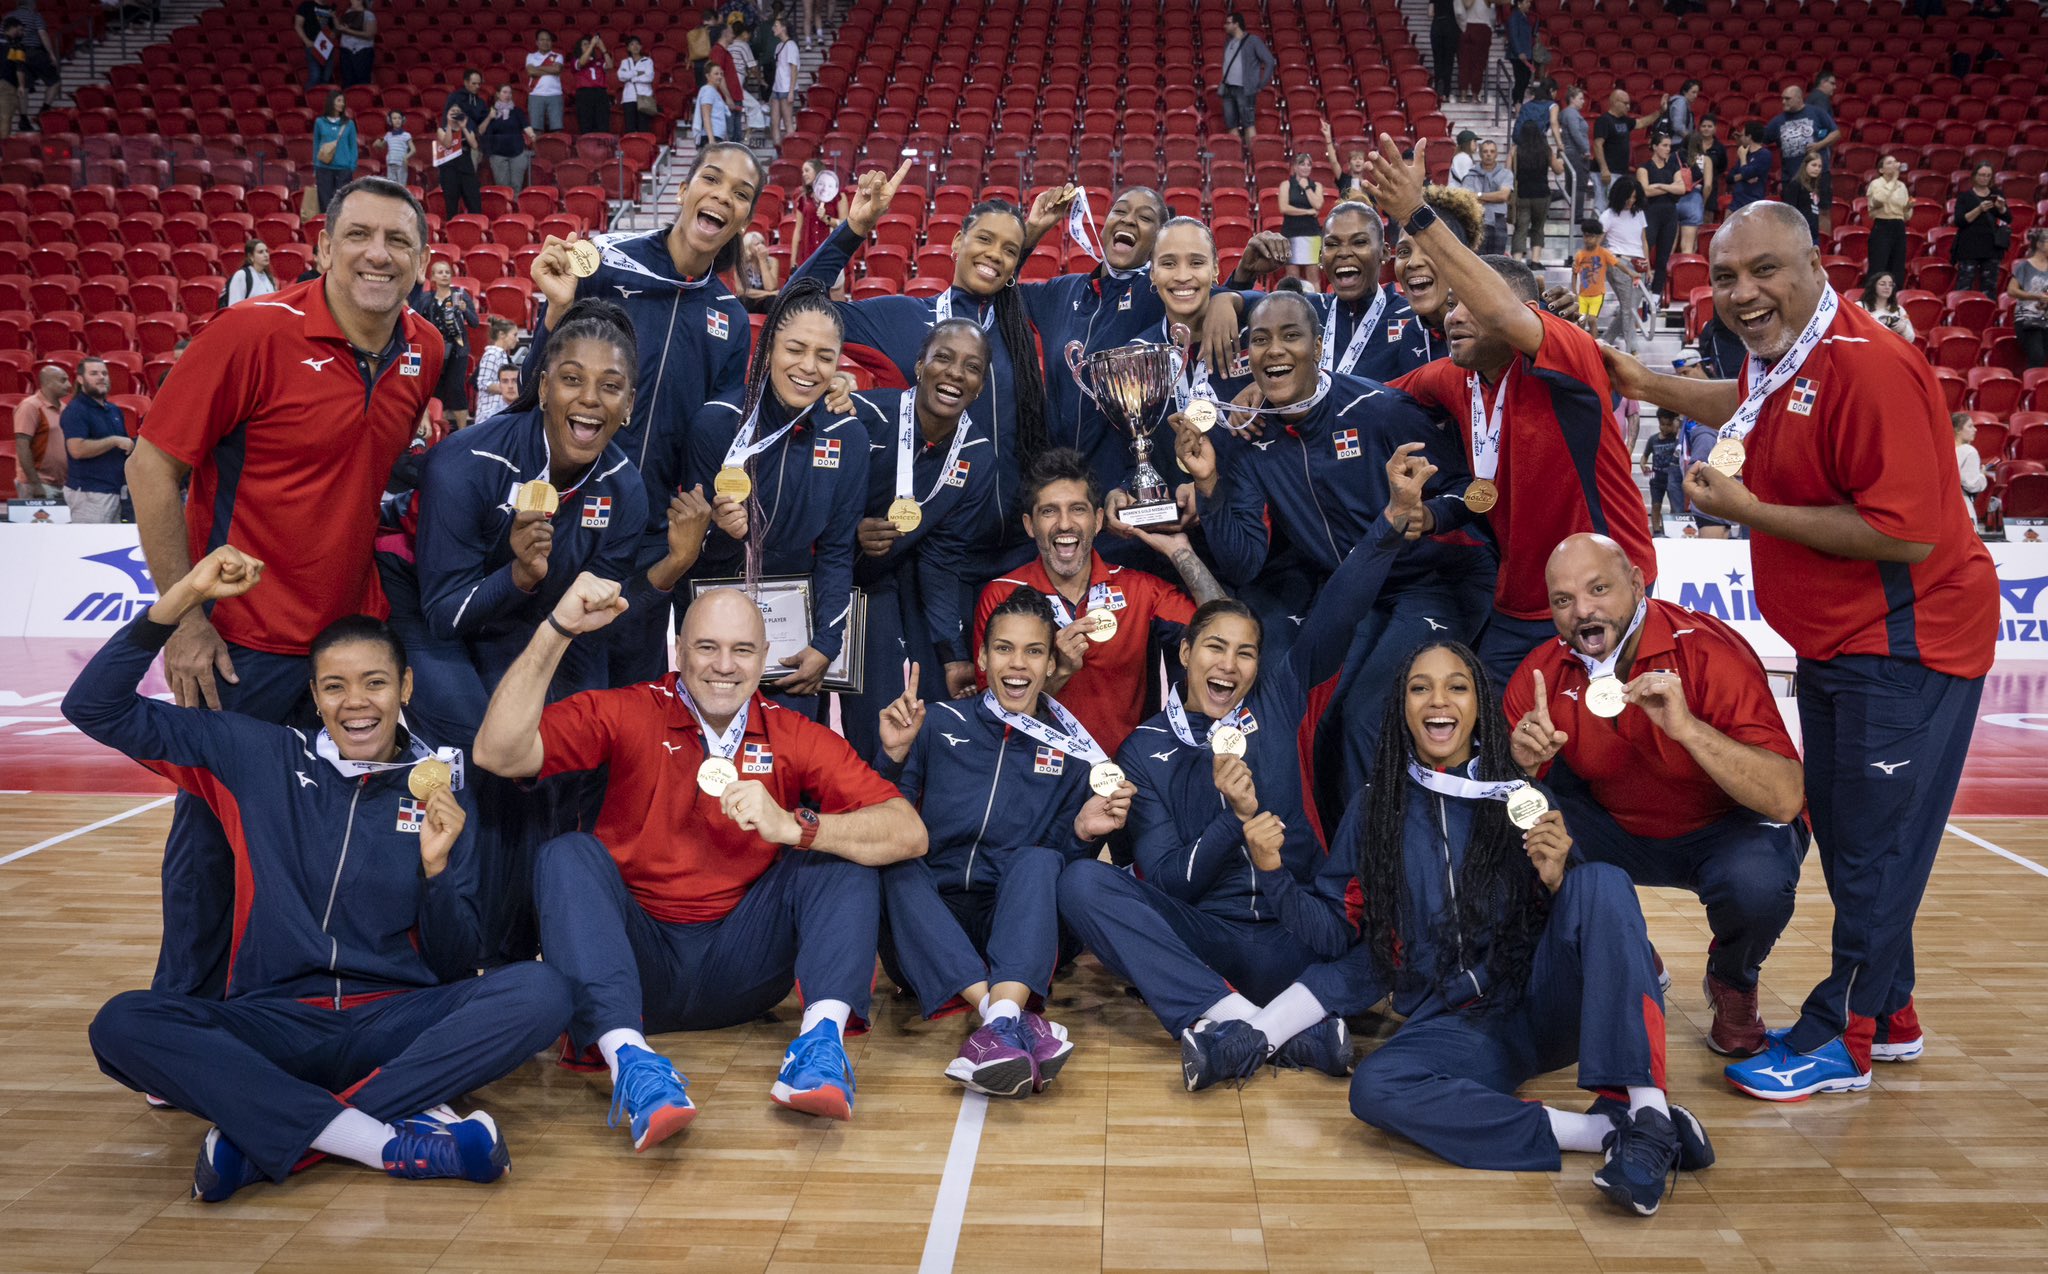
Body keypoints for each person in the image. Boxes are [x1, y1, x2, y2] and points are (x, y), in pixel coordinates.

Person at [1601, 201, 1999, 1102]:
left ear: (1818, 267)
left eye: (1767, 270)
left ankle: (1841, 1037)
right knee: (1852, 828)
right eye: (1728, 277)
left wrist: (1748, 515)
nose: (1745, 294)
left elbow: (1905, 537)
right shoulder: (1786, 355)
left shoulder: (1872, 368)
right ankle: (1890, 1013)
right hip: (1843, 639)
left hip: (1910, 641)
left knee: (1870, 849)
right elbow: (1741, 402)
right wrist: (1645, 381)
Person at [71, 546, 571, 1200]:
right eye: (335, 686)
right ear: (314, 695)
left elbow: (453, 966)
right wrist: (186, 595)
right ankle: (386, 1139)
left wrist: (439, 871)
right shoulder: (257, 755)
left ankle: (270, 1132)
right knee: (121, 1025)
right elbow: (94, 707)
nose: (356, 703)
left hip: (394, 1020)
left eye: (375, 682)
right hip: (275, 1021)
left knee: (541, 993)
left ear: (406, 688)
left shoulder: (440, 790)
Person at [471, 577, 927, 1147]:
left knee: (836, 848)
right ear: (679, 650)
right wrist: (557, 629)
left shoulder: (791, 732)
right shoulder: (630, 710)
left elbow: (908, 831)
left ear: (764, 657)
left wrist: (795, 825)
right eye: (707, 647)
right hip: (634, 972)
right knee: (567, 855)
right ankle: (632, 1065)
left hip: (743, 966)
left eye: (742, 650)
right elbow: (497, 752)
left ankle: (818, 1048)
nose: (724, 666)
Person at [127, 177, 443, 999]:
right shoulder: (249, 333)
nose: (379, 254)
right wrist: (187, 621)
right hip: (244, 645)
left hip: (351, 642)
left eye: (398, 241)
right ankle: (183, 1013)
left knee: (327, 832)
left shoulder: (425, 350)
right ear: (323, 246)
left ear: (420, 259)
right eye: (361, 236)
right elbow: (152, 470)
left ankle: (290, 995)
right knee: (215, 831)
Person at [1059, 444, 1436, 1088]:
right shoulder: (1145, 749)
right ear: (1185, 654)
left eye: (1245, 653)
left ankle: (1246, 1035)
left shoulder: (1278, 698)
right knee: (1081, 884)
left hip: (1301, 930)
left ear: (1260, 666)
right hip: (1211, 941)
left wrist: (1390, 522)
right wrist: (1234, 821)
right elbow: (1172, 883)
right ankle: (1266, 1025)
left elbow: (1337, 612)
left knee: (1386, 925)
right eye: (1214, 648)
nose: (1228, 666)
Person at [1331, 640, 1710, 1216]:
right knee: (1375, 1087)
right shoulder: (1373, 810)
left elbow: (1598, 921)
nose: (1439, 700)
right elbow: (1345, 922)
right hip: (1463, 1028)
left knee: (1601, 880)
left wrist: (1558, 880)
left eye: (1456, 686)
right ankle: (1610, 1132)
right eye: (1420, 687)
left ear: (1479, 704)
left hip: (1542, 1002)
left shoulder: (1522, 796)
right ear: (1401, 707)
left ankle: (1649, 1108)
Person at [387, 300, 705, 960]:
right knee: (488, 740)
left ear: (629, 403)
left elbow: (595, 625)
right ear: (542, 385)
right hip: (430, 611)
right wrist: (522, 578)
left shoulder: (626, 492)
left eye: (610, 386)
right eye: (571, 378)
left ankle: (544, 937)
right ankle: (457, 941)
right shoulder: (464, 463)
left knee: (566, 743)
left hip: (534, 624)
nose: (589, 399)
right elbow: (447, 609)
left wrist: (670, 564)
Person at [1364, 136, 1656, 685]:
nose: (1454, 317)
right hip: (1518, 604)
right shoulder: (1458, 376)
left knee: (1605, 746)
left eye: (1467, 304)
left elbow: (1501, 309)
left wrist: (1415, 214)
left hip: (1606, 593)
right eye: (1451, 307)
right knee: (1504, 747)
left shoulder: (1567, 353)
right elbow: (1365, 394)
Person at [1185, 290, 1492, 805]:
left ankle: (1382, 867)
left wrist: (1431, 514)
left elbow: (1476, 488)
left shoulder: (1379, 409)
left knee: (1365, 717)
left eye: (1290, 336)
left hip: (1433, 582)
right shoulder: (1251, 439)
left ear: (1320, 345)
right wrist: (1210, 483)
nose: (1275, 350)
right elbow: (1244, 561)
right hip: (1358, 592)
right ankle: (1341, 867)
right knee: (1324, 719)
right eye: (1260, 340)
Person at [1508, 533, 1808, 1055]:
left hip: (1726, 829)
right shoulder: (1543, 672)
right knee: (1520, 831)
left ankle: (1733, 978)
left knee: (1758, 882)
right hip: (1619, 828)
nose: (1582, 611)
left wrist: (1688, 729)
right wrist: (1522, 765)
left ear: (1636, 582)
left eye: (1598, 589)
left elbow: (1784, 799)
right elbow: (1503, 796)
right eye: (1563, 600)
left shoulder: (1710, 651)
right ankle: (1626, 945)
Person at [872, 588, 1134, 1096]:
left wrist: (1081, 833)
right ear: (983, 656)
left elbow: (1056, 875)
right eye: (1005, 649)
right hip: (926, 930)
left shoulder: (1074, 751)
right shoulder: (936, 724)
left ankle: (998, 1022)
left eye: (1034, 651)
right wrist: (893, 759)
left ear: (1051, 661)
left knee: (1038, 861)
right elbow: (887, 819)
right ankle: (1005, 1017)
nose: (1017, 664)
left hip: (1013, 936)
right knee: (897, 866)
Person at [524, 141, 759, 684]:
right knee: (552, 687)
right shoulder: (605, 268)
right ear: (682, 189)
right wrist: (555, 312)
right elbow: (540, 382)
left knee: (634, 696)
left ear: (744, 217)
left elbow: (719, 439)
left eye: (741, 194)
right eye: (712, 179)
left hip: (656, 534)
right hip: (571, 516)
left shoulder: (730, 319)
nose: (723, 196)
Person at [790, 163, 1051, 555]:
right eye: (984, 239)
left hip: (1013, 549)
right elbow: (793, 309)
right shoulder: (902, 318)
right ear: (956, 242)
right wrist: (854, 228)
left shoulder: (1021, 325)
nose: (994, 255)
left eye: (1009, 249)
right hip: (921, 548)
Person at [685, 281, 868, 720]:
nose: (809, 367)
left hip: (796, 634)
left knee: (788, 771)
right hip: (717, 626)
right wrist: (723, 536)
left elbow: (838, 552)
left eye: (825, 357)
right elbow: (690, 559)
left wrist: (826, 643)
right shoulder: (717, 424)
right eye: (795, 349)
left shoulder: (848, 437)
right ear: (768, 351)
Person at [976, 447, 1220, 760]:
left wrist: (1179, 553)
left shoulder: (1138, 589)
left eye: (1078, 509)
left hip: (1124, 775)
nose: (1064, 524)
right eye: (1049, 511)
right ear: (1029, 524)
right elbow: (991, 720)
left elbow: (1225, 628)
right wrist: (1058, 673)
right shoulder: (1000, 596)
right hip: (1033, 778)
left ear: (1098, 520)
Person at [840, 321, 1007, 756]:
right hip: (818, 577)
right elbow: (809, 504)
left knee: (888, 714)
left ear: (981, 385)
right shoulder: (865, 415)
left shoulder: (977, 454)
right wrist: (850, 528)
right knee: (805, 713)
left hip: (881, 584)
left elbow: (942, 557)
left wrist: (953, 653)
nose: (955, 373)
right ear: (919, 366)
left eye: (971, 367)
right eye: (944, 358)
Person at [1015, 185, 1192, 497]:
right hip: (1062, 486)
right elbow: (998, 293)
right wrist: (1032, 232)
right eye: (1120, 211)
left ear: (1159, 240)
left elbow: (1207, 297)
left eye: (1145, 217)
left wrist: (1234, 296)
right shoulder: (1063, 292)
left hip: (1128, 492)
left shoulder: (1160, 295)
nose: (1128, 220)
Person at [1226, 202, 1434, 383]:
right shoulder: (1305, 311)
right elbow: (1234, 325)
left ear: (1385, 252)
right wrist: (1241, 279)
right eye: (1332, 244)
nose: (1344, 253)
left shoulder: (1412, 317)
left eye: (1359, 242)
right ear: (1321, 257)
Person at [60, 356, 128, 524]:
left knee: (112, 547)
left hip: (114, 490)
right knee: (91, 546)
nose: (101, 377)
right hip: (89, 493)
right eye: (94, 373)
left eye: (104, 373)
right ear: (80, 379)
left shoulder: (113, 410)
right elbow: (77, 449)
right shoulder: (76, 410)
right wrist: (113, 440)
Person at [1764, 83, 1839, 236]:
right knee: (1791, 214)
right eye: (1782, 99)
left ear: (1799, 98)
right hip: (1791, 177)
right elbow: (1761, 139)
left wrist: (1819, 145)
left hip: (1818, 174)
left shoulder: (1816, 113)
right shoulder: (1778, 121)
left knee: (1823, 210)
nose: (1783, 102)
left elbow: (1836, 133)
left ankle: (1822, 248)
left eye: (1787, 99)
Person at [414, 260, 477, 427]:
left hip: (458, 350)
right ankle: (438, 427)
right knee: (435, 389)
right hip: (435, 351)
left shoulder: (460, 296)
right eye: (440, 272)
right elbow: (418, 322)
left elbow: (475, 323)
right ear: (432, 277)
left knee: (456, 388)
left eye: (447, 272)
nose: (444, 275)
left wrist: (464, 310)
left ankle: (463, 431)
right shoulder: (426, 299)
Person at [1598, 176, 1649, 353]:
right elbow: (1597, 243)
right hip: (1619, 262)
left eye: (1635, 197)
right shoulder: (1608, 215)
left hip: (1639, 263)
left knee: (1630, 308)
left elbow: (1643, 240)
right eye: (1629, 197)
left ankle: (1604, 341)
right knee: (1629, 309)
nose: (1631, 201)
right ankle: (1632, 350)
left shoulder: (1639, 213)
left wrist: (1648, 265)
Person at [1593, 90, 1664, 209]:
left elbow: (1641, 123)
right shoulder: (1604, 120)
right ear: (1615, 102)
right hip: (1607, 172)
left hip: (1620, 171)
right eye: (1625, 103)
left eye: (1629, 103)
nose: (1628, 106)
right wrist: (1604, 169)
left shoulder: (1625, 120)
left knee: (1614, 205)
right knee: (1602, 206)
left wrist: (1660, 112)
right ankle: (1597, 227)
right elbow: (1597, 145)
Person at [1636, 132, 1684, 297]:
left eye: (1669, 146)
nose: (1668, 149)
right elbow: (1645, 191)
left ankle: (1656, 294)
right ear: (1655, 147)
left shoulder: (1673, 167)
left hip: (1669, 215)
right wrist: (1670, 186)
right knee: (1644, 254)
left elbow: (1682, 189)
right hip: (1650, 214)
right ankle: (1639, 291)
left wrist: (1660, 185)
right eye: (1664, 145)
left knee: (1663, 257)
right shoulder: (1644, 167)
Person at [1508, 117, 1561, 267]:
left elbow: (1507, 171)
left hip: (1522, 195)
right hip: (1542, 194)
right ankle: (1536, 261)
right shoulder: (1546, 150)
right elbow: (1558, 170)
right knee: (1538, 227)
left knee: (1520, 228)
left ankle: (1517, 262)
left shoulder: (1516, 150)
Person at [1216, 10, 1273, 146]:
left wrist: (1260, 84)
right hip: (1228, 88)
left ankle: (1253, 161)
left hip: (1244, 89)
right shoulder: (1228, 42)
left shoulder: (1253, 41)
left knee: (1248, 124)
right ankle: (1239, 159)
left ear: (1236, 24)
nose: (1225, 26)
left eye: (1228, 23)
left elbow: (1270, 61)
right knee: (1231, 124)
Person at [1953, 164, 2011, 297]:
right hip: (1969, 246)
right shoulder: (1965, 197)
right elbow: (1959, 221)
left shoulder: (1997, 195)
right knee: (1964, 285)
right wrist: (1979, 209)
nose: (1985, 178)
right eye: (1981, 175)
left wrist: (2002, 208)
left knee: (1990, 287)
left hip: (1991, 246)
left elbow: (2008, 218)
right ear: (1974, 176)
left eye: (1988, 176)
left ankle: (1988, 315)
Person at [11, 362, 66, 498]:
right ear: (48, 383)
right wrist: (35, 484)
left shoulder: (64, 408)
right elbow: (22, 446)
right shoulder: (30, 406)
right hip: (38, 484)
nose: (68, 385)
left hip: (61, 484)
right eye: (63, 380)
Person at [1274, 152, 1325, 287]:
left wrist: (1307, 188)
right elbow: (1284, 207)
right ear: (1295, 167)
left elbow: (1318, 205)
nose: (1306, 167)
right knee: (1292, 275)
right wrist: (1307, 211)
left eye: (1309, 165)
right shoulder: (1286, 185)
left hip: (1311, 233)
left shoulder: (1316, 186)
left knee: (1313, 274)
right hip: (1291, 232)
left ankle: (1315, 306)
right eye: (1302, 164)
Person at [1864, 155, 1910, 289]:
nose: (1895, 164)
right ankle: (1872, 300)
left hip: (1899, 227)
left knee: (1897, 266)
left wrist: (1908, 208)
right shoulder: (1877, 183)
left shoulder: (1902, 186)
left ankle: (1894, 301)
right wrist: (1893, 180)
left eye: (1895, 161)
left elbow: (1905, 215)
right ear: (1881, 169)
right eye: (1889, 163)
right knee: (1879, 265)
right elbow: (1878, 200)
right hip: (1883, 226)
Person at [1459, 140, 1513, 255]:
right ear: (1480, 154)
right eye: (1485, 151)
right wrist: (1494, 196)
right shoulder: (1470, 175)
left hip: (1498, 221)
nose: (1488, 154)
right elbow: (1467, 198)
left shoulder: (1505, 174)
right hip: (1477, 221)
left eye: (1492, 151)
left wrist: (1479, 195)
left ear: (1496, 154)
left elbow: (1503, 195)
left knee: (1498, 261)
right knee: (1478, 259)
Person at [479, 84, 536, 192]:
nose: (507, 95)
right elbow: (481, 131)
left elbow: (526, 126)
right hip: (497, 153)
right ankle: (506, 208)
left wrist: (532, 134)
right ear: (497, 94)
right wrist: (489, 117)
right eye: (504, 92)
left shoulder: (517, 111)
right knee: (503, 187)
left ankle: (515, 207)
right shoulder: (489, 112)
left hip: (517, 152)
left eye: (509, 93)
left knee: (516, 185)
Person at [434, 100, 482, 216]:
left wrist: (463, 127)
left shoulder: (467, 130)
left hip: (466, 169)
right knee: (451, 205)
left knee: (474, 202)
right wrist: (450, 125)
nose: (455, 113)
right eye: (453, 111)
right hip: (449, 170)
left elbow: (474, 145)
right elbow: (447, 144)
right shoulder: (441, 130)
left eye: (458, 111)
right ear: (447, 114)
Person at [311, 92, 358, 212]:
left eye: (343, 101)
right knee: (325, 201)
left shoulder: (349, 123)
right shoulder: (319, 122)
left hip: (343, 168)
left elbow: (353, 146)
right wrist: (316, 165)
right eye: (339, 101)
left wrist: (351, 166)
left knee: (342, 203)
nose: (342, 104)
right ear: (331, 102)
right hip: (324, 167)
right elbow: (316, 144)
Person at [2011, 227, 2048, 370]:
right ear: (2039, 245)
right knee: (2037, 356)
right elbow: (2012, 290)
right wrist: (2036, 296)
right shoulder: (2025, 266)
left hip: (2046, 318)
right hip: (2028, 319)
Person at [1641, 411, 1684, 534]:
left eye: (1668, 425)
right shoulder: (1653, 439)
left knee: (1673, 504)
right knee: (1656, 505)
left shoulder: (1676, 439)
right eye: (1662, 424)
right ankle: (1656, 530)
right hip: (1655, 476)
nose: (1665, 427)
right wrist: (1643, 465)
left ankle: (1670, 529)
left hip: (1671, 477)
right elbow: (1644, 456)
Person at [1572, 219, 1617, 333]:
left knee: (1592, 320)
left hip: (1597, 294)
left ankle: (1594, 346)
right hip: (1583, 295)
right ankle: (1580, 346)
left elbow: (1616, 264)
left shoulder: (1604, 253)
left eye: (1591, 236)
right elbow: (1574, 274)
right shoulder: (1580, 254)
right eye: (1585, 236)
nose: (1588, 239)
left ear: (1598, 237)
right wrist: (1575, 293)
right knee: (1581, 321)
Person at [472, 316, 519, 416]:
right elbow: (483, 383)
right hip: (489, 414)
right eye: (514, 335)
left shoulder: (501, 355)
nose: (517, 339)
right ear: (502, 334)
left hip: (499, 412)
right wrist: (511, 388)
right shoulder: (492, 354)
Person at [525, 31, 566, 133]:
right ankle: (538, 149)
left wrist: (537, 68)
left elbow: (556, 69)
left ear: (551, 42)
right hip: (536, 95)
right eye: (542, 40)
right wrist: (549, 69)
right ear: (537, 42)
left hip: (555, 95)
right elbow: (531, 71)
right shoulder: (531, 56)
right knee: (536, 129)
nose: (545, 42)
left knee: (557, 129)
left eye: (548, 40)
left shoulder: (558, 56)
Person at [1858, 271, 1915, 343]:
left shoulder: (1899, 309)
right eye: (1882, 284)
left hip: (1893, 348)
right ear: (1873, 286)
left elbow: (1911, 338)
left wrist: (1903, 328)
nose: (1887, 287)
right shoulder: (1860, 306)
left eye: (1890, 285)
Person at [571, 33, 612, 134]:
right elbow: (582, 62)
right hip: (584, 94)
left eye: (589, 44)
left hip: (600, 93)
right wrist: (592, 45)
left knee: (603, 123)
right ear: (579, 47)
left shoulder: (599, 61)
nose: (588, 45)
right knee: (586, 124)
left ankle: (602, 147)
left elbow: (610, 66)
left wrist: (603, 49)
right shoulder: (575, 60)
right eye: (585, 44)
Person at [1728, 122, 1772, 211]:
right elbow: (1729, 178)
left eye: (1743, 135)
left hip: (1752, 204)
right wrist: (1743, 177)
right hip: (1736, 203)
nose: (1741, 138)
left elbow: (1745, 172)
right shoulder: (1746, 153)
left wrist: (1743, 158)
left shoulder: (1764, 154)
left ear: (1749, 137)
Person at [617, 35, 655, 134]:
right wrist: (637, 73)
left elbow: (649, 77)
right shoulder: (625, 62)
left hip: (644, 97)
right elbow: (621, 76)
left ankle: (644, 148)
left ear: (641, 46)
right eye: (632, 44)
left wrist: (631, 77)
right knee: (630, 127)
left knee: (643, 127)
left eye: (637, 44)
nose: (635, 46)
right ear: (628, 48)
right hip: (629, 98)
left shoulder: (648, 61)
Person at [770, 15, 800, 143]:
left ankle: (791, 151)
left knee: (788, 122)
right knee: (774, 122)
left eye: (776, 26)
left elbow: (794, 69)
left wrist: (791, 91)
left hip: (786, 87)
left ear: (784, 28)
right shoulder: (778, 46)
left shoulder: (791, 45)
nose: (773, 28)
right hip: (777, 87)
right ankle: (778, 150)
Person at [1783, 151, 1823, 246]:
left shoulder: (1815, 186)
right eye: (1814, 165)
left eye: (1819, 166)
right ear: (1805, 165)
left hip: (1814, 235)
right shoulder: (1795, 184)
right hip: (1800, 235)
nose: (1817, 169)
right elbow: (1789, 211)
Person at [224, 238, 279, 306]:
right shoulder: (241, 275)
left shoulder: (269, 277)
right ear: (251, 256)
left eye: (266, 251)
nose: (266, 255)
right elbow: (234, 306)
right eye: (260, 252)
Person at [1454, 0, 1490, 103]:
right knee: (1478, 65)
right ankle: (1475, 95)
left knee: (1464, 64)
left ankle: (1463, 95)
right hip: (1482, 27)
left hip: (1466, 27)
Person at [334, 0, 374, 88]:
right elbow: (340, 29)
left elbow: (369, 34)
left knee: (361, 80)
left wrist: (348, 31)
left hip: (362, 51)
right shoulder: (347, 12)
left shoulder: (368, 14)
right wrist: (334, 17)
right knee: (347, 80)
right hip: (346, 50)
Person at [293, 0, 334, 87]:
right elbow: (298, 25)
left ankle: (320, 99)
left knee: (326, 78)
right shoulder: (306, 5)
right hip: (313, 45)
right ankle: (307, 98)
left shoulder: (329, 8)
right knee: (315, 76)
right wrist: (306, 41)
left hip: (327, 46)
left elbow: (332, 31)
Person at [1955, 413, 1986, 523]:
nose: (1975, 429)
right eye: (1970, 426)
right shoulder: (1969, 451)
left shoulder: (1943, 450)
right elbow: (1972, 485)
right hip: (1962, 508)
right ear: (1958, 430)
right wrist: (1982, 475)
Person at [1504, 0, 1537, 104]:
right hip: (1517, 55)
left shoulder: (1525, 17)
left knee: (1525, 80)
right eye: (1526, 2)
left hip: (1527, 53)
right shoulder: (1514, 17)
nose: (1529, 4)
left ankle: (1517, 100)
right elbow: (1513, 36)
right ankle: (1517, 103)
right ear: (1519, 4)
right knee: (1520, 80)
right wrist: (1519, 52)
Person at [1428, 0, 1460, 100]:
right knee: (1449, 61)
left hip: (1437, 25)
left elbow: (1430, 13)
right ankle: (1446, 91)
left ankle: (1438, 88)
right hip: (1451, 26)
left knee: (1437, 60)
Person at [694, 64, 730, 146]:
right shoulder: (708, 91)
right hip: (711, 137)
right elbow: (706, 115)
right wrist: (711, 140)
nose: (720, 77)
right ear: (708, 76)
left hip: (718, 135)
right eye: (716, 74)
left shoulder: (715, 92)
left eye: (721, 74)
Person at [376, 109, 413, 186]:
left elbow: (413, 150)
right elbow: (382, 146)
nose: (397, 120)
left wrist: (406, 157)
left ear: (403, 120)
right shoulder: (388, 135)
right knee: (391, 185)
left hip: (401, 163)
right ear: (390, 121)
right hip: (390, 162)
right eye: (394, 118)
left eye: (399, 118)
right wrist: (377, 143)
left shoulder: (406, 135)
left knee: (401, 185)